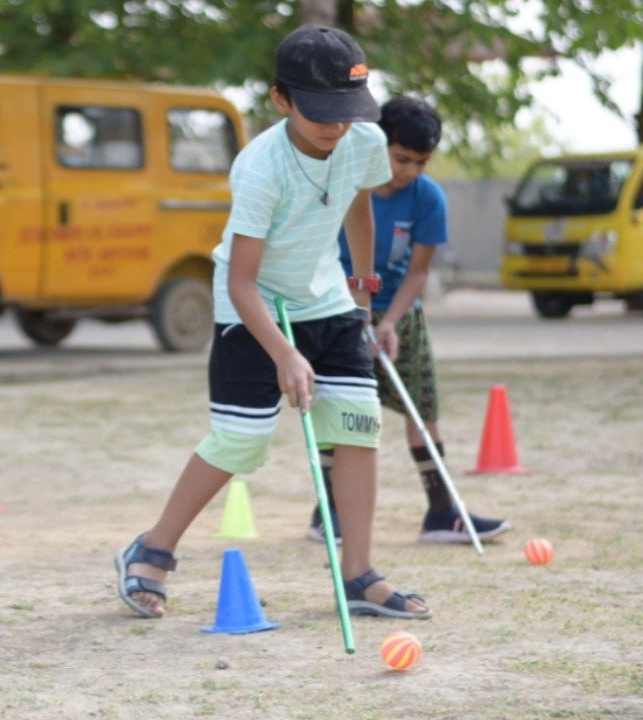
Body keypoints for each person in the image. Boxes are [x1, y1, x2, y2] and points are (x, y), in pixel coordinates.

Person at [115, 25, 432, 621]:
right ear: (280, 99)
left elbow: (359, 205)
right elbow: (241, 279)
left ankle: (360, 574)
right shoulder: (261, 168)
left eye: (345, 112)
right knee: (241, 440)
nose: (335, 127)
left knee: (360, 426)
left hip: (329, 301)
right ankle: (152, 546)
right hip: (252, 305)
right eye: (320, 114)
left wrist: (362, 293)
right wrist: (286, 353)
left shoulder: (364, 140)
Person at [306, 96, 511, 546]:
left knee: (422, 408)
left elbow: (418, 272)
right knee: (337, 408)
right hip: (333, 305)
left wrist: (389, 322)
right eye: (401, 159)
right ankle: (328, 511)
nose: (410, 171)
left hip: (397, 309)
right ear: (378, 144)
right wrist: (349, 307)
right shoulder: (338, 182)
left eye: (421, 163)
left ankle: (441, 513)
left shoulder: (427, 198)